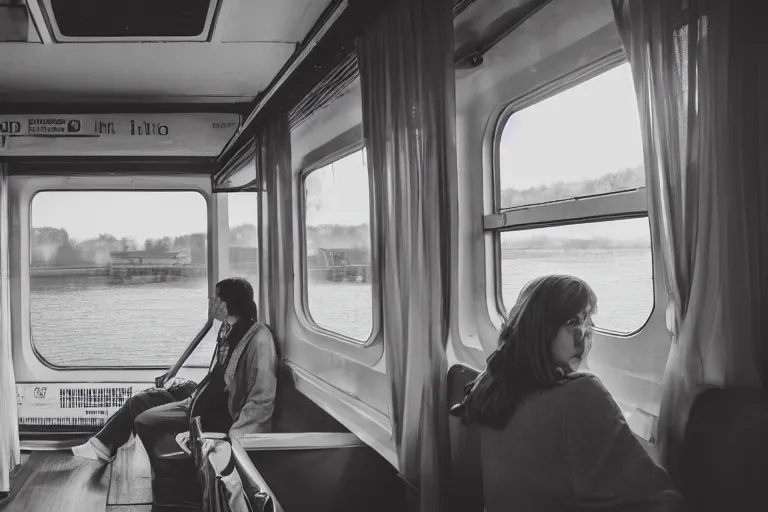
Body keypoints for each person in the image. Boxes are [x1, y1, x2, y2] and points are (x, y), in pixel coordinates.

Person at [450, 275, 687, 512]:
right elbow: (656, 497)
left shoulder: (490, 385)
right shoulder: (580, 393)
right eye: (573, 321)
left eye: (588, 321)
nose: (584, 334)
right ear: (539, 328)